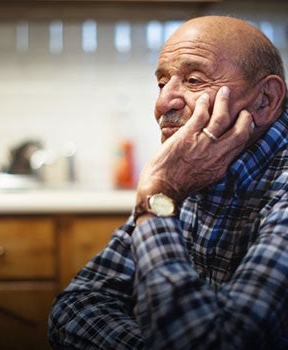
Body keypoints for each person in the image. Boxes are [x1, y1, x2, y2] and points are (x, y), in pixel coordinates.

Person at [48, 15, 288, 349]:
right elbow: (74, 307)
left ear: (265, 100)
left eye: (192, 80)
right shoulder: (191, 166)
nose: (162, 104)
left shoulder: (176, 179)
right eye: (162, 83)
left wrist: (158, 196)